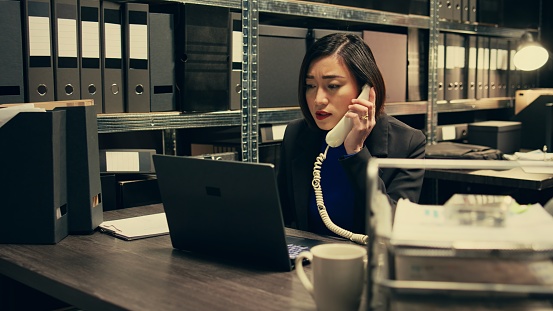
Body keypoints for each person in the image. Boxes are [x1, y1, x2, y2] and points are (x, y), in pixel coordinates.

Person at [277, 33, 426, 241]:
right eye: (310, 86)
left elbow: (393, 227)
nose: (318, 99)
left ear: (365, 91)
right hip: (307, 263)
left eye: (333, 86)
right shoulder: (297, 134)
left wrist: (356, 153)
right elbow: (280, 216)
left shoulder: (408, 143)